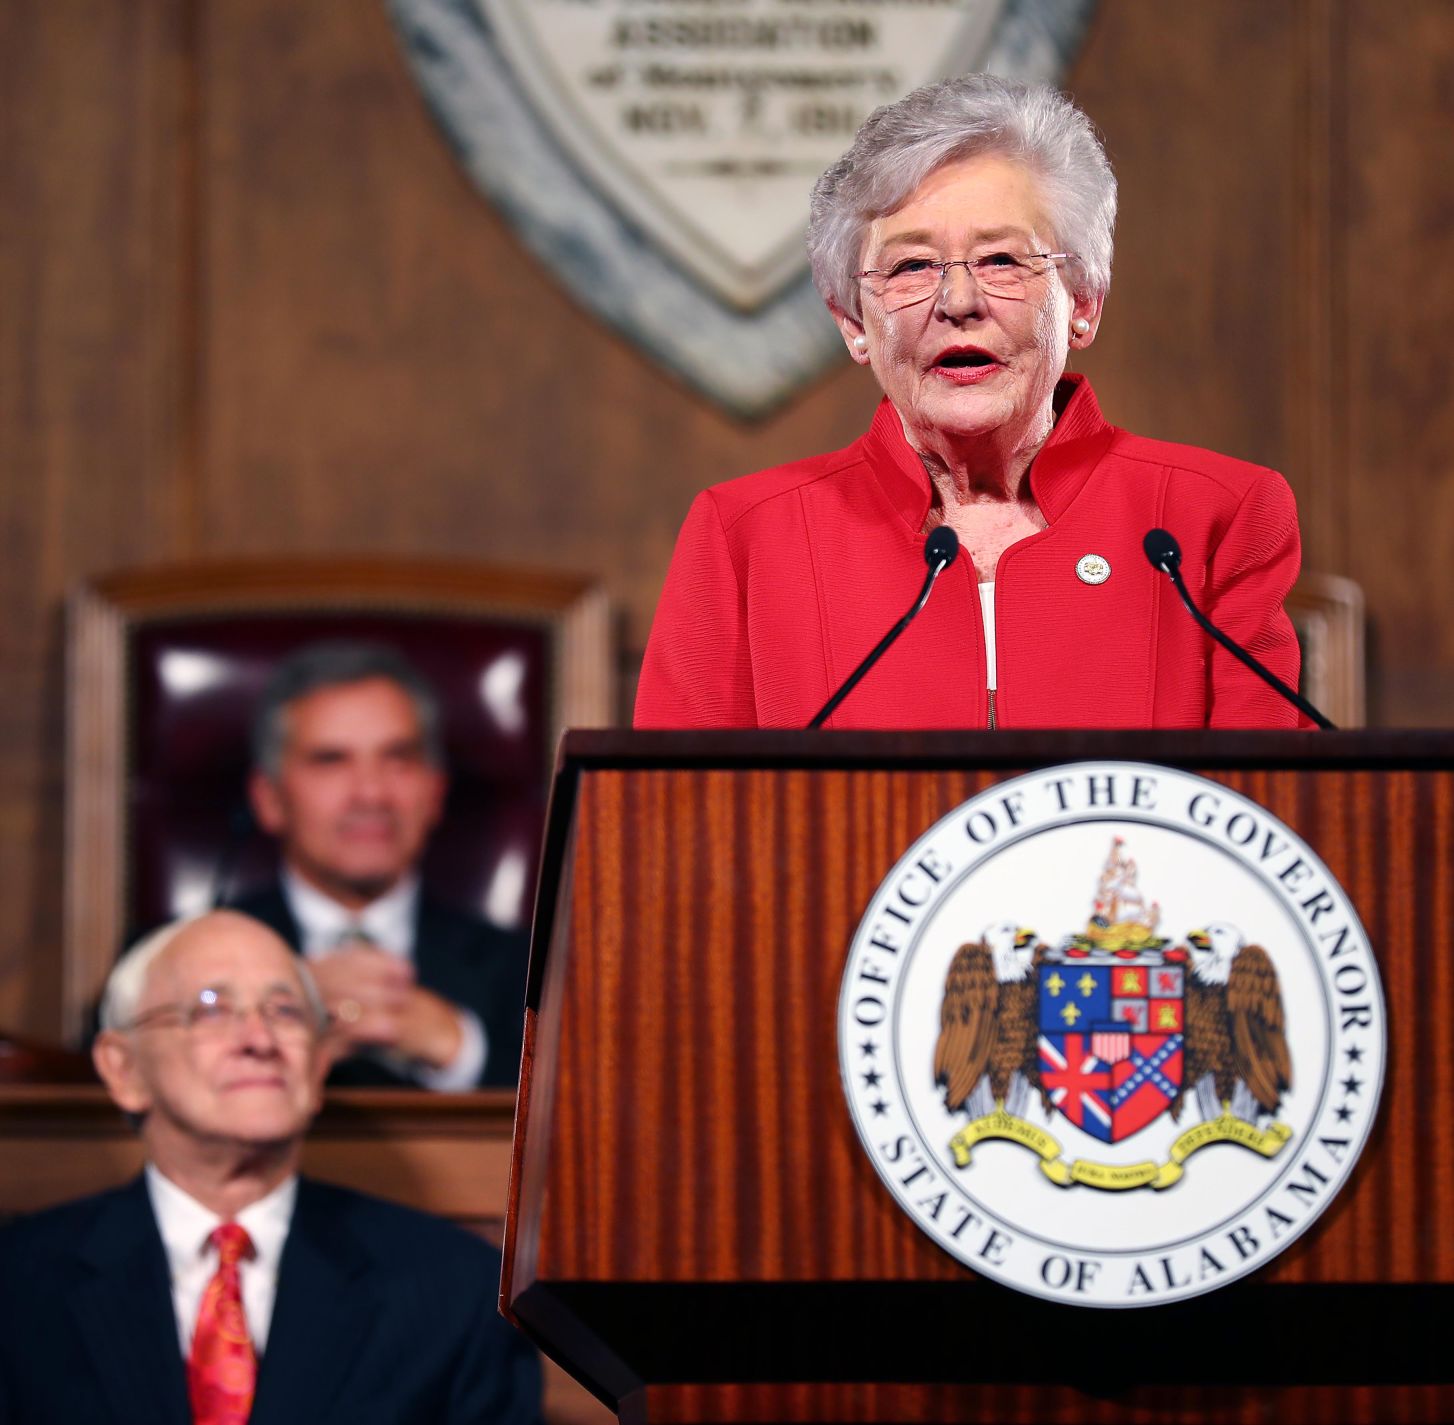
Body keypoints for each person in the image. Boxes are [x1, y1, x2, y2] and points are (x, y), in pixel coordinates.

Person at [634, 74, 1305, 731]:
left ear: (1085, 303)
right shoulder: (748, 537)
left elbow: (1269, 816)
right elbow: (668, 828)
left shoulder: (1212, 520)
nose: (959, 303)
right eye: (911, 267)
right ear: (853, 324)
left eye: (1002, 260)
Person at [0, 912, 541, 1425]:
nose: (259, 1040)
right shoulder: (19, 1285)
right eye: (211, 1008)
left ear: (319, 1062)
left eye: (285, 1012)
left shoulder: (456, 1291)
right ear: (123, 1068)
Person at [234, 642, 527, 1089]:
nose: (370, 794)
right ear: (269, 798)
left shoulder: (529, 972)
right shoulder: (166, 957)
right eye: (331, 760)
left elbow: (584, 1111)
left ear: (435, 792)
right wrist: (280, 1003)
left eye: (398, 758)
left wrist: (459, 1047)